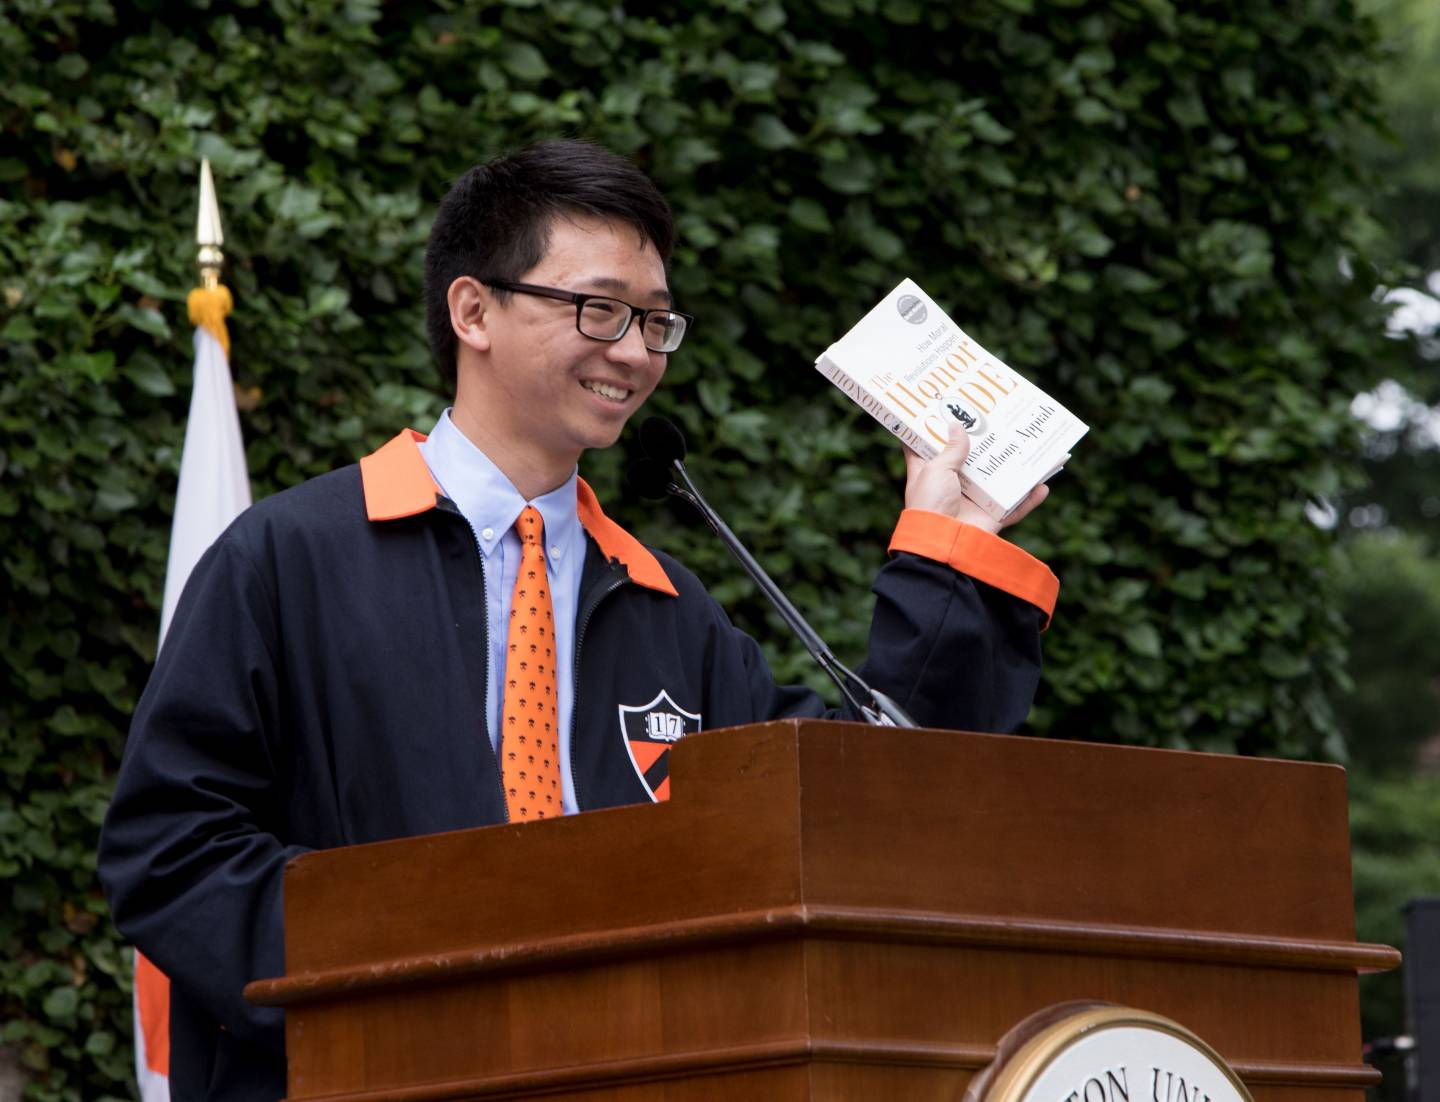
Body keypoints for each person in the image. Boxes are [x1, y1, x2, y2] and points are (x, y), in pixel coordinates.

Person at [98, 138, 1058, 1100]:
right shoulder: (290, 558)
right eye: (600, 309)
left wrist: (950, 551)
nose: (637, 352)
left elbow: (869, 807)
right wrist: (414, 967)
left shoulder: (669, 611)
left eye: (655, 321)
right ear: (473, 309)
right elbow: (172, 848)